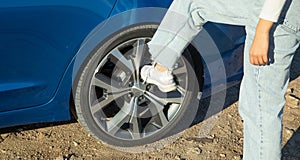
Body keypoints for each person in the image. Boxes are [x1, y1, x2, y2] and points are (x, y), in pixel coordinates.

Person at [140, 0, 299, 159]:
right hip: (276, 11)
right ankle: (161, 68)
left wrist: (263, 30)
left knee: (260, 111)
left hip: (277, 18)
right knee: (194, 3)